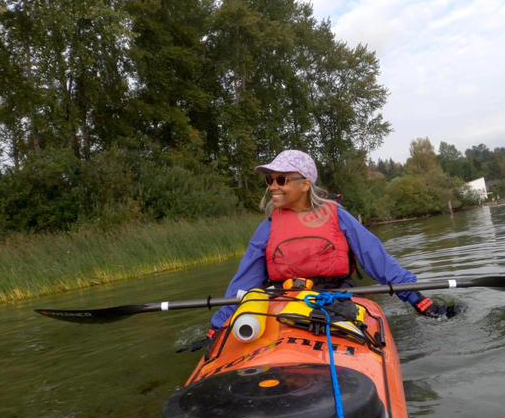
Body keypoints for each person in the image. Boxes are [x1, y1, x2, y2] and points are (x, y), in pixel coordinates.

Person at [187, 150, 452, 349]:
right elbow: (244, 282)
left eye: (281, 179)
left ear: (305, 184)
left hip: (334, 298)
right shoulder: (268, 227)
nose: (273, 186)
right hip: (283, 303)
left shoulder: (337, 216)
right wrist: (217, 327)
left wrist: (419, 300)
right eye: (270, 180)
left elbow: (377, 260)